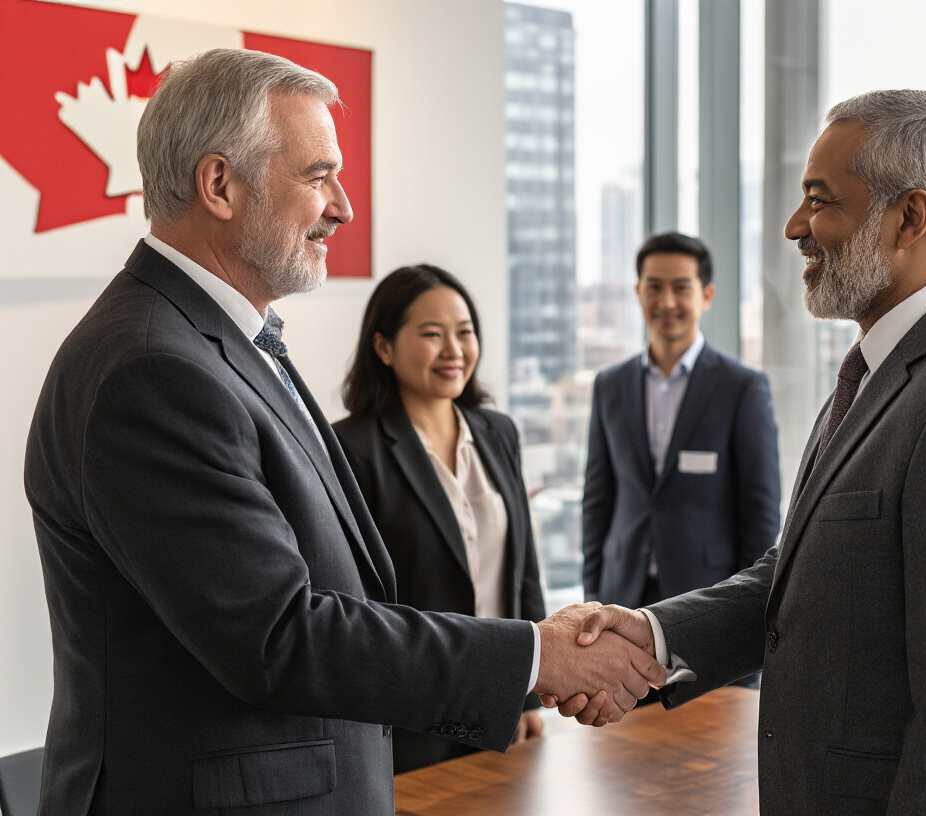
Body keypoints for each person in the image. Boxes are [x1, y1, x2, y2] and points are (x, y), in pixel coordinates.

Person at [23, 48, 662, 815]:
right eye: (317, 175)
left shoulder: (221, 341)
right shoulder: (152, 369)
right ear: (218, 184)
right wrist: (535, 656)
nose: (343, 207)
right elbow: (279, 635)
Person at [555, 90, 926, 815]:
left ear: (910, 217)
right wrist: (653, 632)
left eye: (819, 200)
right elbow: (802, 575)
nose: (796, 226)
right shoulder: (879, 368)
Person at [332, 265, 547, 772]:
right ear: (383, 348)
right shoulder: (351, 449)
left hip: (502, 704)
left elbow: (525, 573)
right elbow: (356, 602)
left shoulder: (498, 433)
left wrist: (533, 693)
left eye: (465, 332)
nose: (454, 350)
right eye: (432, 334)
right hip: (410, 718)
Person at [582, 232, 780, 615]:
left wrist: (744, 609)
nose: (666, 302)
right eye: (654, 287)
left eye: (681, 288)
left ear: (706, 295)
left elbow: (760, 513)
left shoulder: (741, 387)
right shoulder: (610, 386)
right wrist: (593, 594)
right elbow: (597, 500)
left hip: (705, 598)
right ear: (638, 292)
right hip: (620, 591)